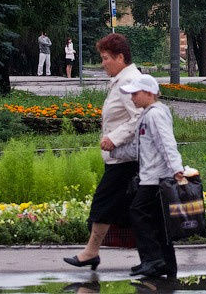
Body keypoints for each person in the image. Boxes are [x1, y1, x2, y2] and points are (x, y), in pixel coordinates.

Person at [64, 33, 142, 271]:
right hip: (121, 157)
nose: (103, 63)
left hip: (126, 158)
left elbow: (139, 116)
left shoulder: (130, 82)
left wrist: (114, 139)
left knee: (102, 204)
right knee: (132, 212)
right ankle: (151, 258)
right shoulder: (122, 79)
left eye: (106, 58)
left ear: (120, 57)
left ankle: (91, 253)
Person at [111, 73, 183, 279]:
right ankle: (167, 265)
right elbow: (138, 149)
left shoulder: (155, 114)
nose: (132, 98)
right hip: (151, 177)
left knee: (137, 212)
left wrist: (176, 169)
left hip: (156, 179)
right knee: (160, 223)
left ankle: (152, 260)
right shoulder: (148, 114)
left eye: (135, 93)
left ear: (149, 93)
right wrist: (113, 151)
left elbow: (166, 143)